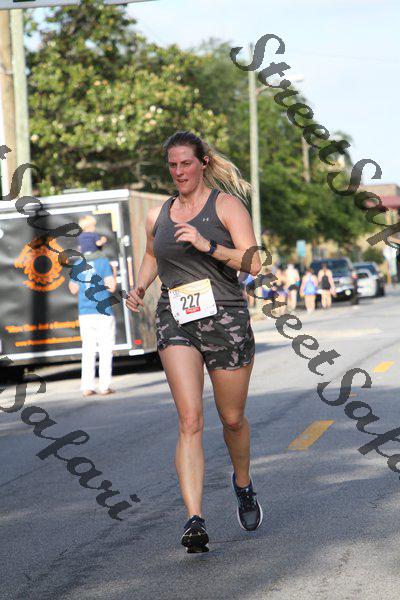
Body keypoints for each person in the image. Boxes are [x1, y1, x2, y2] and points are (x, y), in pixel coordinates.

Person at [126, 130, 263, 552]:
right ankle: (194, 519)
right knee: (189, 420)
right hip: (177, 319)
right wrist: (140, 286)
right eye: (172, 165)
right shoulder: (159, 214)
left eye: (186, 163)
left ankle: (243, 484)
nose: (179, 171)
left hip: (225, 318)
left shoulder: (226, 206)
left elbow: (254, 262)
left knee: (232, 419)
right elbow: (153, 254)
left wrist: (208, 245)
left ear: (202, 163)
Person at [68, 251, 117, 396]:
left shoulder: (78, 263)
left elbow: (73, 289)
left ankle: (87, 386)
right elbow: (112, 287)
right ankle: (104, 386)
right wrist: (114, 271)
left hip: (85, 313)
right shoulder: (103, 261)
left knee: (88, 350)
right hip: (103, 312)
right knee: (105, 349)